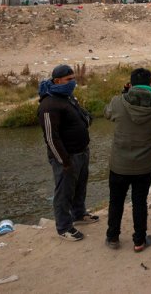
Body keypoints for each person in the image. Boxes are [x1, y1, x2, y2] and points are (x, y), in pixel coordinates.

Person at [104, 67, 151, 252]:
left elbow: (107, 113)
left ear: (130, 84)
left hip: (119, 164)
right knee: (139, 202)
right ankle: (139, 241)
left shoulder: (118, 102)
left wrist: (124, 93)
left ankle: (112, 237)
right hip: (143, 166)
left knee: (115, 201)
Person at [38, 64, 97, 242]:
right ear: (57, 81)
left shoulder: (68, 97)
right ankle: (64, 227)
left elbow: (81, 116)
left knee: (80, 185)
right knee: (64, 192)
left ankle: (79, 214)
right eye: (69, 79)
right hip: (66, 156)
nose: (73, 82)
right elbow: (51, 137)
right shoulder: (48, 104)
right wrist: (64, 161)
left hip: (81, 151)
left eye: (74, 79)